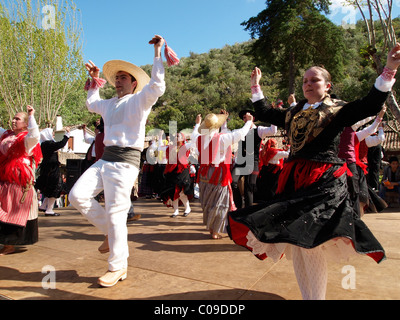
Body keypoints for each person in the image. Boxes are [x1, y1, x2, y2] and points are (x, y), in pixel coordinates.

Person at [228, 44, 400, 300]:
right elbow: (265, 112)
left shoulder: (337, 109)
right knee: (298, 246)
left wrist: (389, 70)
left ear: (327, 85)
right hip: (294, 180)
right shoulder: (295, 111)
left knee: (311, 244)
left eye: (315, 80)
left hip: (323, 181)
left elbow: (370, 104)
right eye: (305, 80)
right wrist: (256, 86)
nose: (308, 84)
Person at [68, 35, 166, 287]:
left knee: (116, 213)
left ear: (134, 83)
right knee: (77, 195)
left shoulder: (140, 100)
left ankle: (118, 266)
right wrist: (93, 79)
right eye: (116, 78)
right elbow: (91, 104)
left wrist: (157, 53)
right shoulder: (109, 103)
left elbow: (157, 86)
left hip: (126, 163)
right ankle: (110, 235)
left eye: (123, 78)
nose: (118, 81)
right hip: (105, 160)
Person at [192, 111, 253, 239]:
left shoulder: (198, 138)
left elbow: (194, 134)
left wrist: (197, 124)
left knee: (208, 201)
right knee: (220, 202)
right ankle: (215, 231)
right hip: (217, 174)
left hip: (204, 173)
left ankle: (211, 228)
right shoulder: (221, 139)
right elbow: (240, 133)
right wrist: (248, 122)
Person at [0, 106, 42, 255]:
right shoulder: (6, 135)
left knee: (12, 211)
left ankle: (9, 245)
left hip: (18, 181)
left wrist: (31, 116)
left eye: (17, 119)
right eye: (13, 118)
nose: (13, 120)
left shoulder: (27, 140)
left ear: (25, 124)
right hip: (5, 180)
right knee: (4, 209)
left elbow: (35, 135)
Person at [231, 109, 277, 208]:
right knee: (232, 182)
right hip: (240, 161)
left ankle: (247, 212)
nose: (245, 119)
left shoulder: (259, 130)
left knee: (249, 188)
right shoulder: (241, 130)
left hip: (252, 161)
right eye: (244, 117)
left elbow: (273, 131)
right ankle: (238, 208)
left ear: (253, 118)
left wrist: (273, 116)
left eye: (247, 117)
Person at [35, 126, 70, 216]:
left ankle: (43, 206)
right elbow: (61, 144)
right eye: (52, 134)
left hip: (46, 168)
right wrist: (67, 134)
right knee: (55, 187)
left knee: (48, 188)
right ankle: (49, 210)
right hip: (52, 169)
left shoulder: (44, 144)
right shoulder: (49, 144)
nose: (53, 136)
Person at [158, 131, 193, 217]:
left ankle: (187, 207)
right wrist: (159, 138)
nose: (176, 138)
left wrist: (197, 126)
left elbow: (194, 142)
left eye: (178, 136)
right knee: (172, 191)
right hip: (171, 171)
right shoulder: (170, 148)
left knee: (181, 191)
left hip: (182, 171)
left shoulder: (186, 146)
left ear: (182, 138)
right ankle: (176, 210)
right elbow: (160, 148)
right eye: (176, 136)